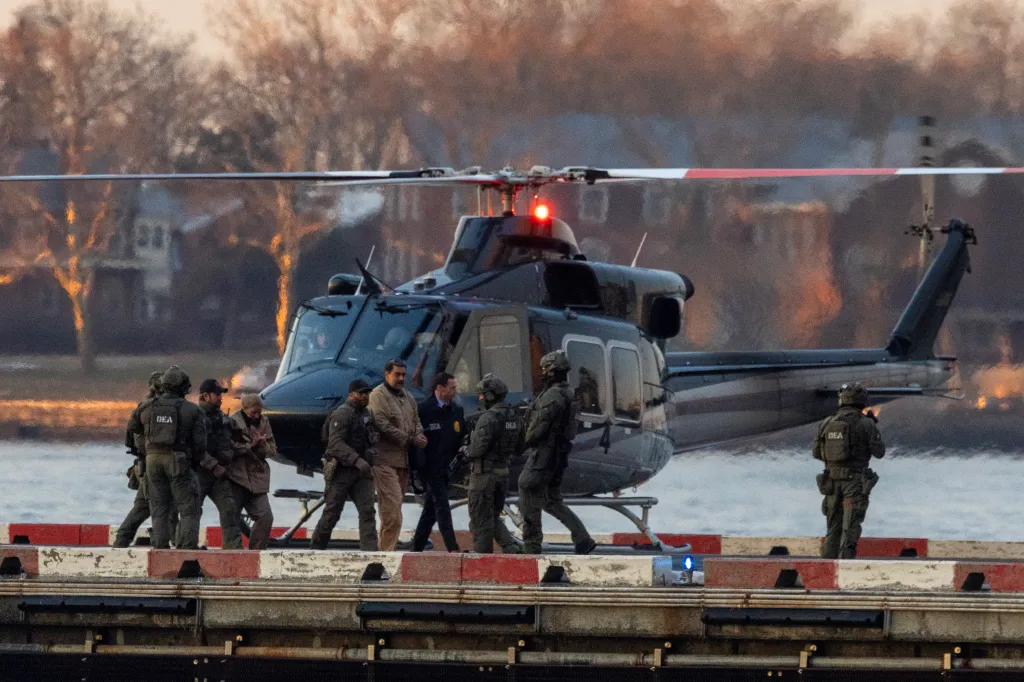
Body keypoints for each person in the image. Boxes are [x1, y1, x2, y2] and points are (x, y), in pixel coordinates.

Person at [517, 351, 596, 555]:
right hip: (559, 455)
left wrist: (519, 445)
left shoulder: (553, 395)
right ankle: (582, 538)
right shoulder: (569, 392)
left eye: (545, 369)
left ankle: (531, 546)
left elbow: (537, 429)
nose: (542, 373)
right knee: (551, 500)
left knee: (527, 489)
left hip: (544, 454)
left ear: (552, 370)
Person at [127, 366, 204, 549]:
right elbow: (200, 444)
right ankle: (186, 550)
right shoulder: (192, 410)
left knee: (158, 508)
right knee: (188, 509)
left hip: (152, 460)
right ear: (181, 387)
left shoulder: (147, 406)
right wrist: (193, 462)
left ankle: (160, 548)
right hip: (178, 460)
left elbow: (133, 426)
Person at [814, 382, 885, 559]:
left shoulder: (826, 423)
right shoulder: (866, 423)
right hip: (854, 482)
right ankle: (846, 567)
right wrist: (873, 427)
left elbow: (817, 453)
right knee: (850, 527)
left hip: (831, 483)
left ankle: (827, 568)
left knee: (833, 527)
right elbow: (879, 452)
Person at [309, 379, 379, 551]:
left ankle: (370, 555)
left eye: (367, 393)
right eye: (361, 393)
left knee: (368, 512)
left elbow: (372, 437)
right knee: (332, 513)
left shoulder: (366, 415)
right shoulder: (342, 414)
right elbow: (335, 444)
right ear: (351, 394)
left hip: (362, 473)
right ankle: (315, 551)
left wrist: (372, 453)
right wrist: (356, 459)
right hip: (342, 471)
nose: (365, 396)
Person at [113, 371, 178, 547]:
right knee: (160, 508)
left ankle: (122, 540)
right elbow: (139, 442)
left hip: (150, 465)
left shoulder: (148, 408)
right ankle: (167, 543)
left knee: (144, 508)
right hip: (151, 466)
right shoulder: (149, 409)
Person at [369, 358, 428, 551]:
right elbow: (381, 424)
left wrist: (419, 435)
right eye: (397, 374)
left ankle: (385, 553)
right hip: (384, 460)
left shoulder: (408, 397)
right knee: (392, 513)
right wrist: (409, 439)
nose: (401, 378)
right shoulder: (378, 395)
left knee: (395, 510)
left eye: (404, 374)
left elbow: (416, 420)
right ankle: (385, 557)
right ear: (387, 374)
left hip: (404, 462)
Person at [466, 376, 522, 554]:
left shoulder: (488, 418)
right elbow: (520, 447)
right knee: (492, 516)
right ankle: (510, 547)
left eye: (482, 395)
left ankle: (482, 560)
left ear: (490, 396)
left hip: (484, 475)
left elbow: (476, 450)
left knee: (480, 519)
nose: (480, 399)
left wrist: (465, 450)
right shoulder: (514, 416)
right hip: (503, 473)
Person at [411, 372, 463, 553]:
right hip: (429, 468)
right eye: (452, 387)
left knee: (430, 511)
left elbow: (460, 436)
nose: (455, 391)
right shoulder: (423, 410)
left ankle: (416, 547)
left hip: (447, 468)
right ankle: (452, 547)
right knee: (442, 505)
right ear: (439, 388)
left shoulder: (457, 410)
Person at [196, 379, 242, 550]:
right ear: (205, 395)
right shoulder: (195, 417)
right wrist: (215, 466)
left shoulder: (221, 417)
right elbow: (196, 449)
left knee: (230, 510)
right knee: (192, 512)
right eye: (217, 394)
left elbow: (229, 441)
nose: (221, 397)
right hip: (200, 473)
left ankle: (233, 550)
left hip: (220, 474)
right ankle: (186, 547)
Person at [228, 394, 276, 550]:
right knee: (231, 519)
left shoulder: (264, 422)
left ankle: (256, 552)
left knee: (265, 516)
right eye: (253, 413)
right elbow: (230, 450)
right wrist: (250, 445)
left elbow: (272, 450)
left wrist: (261, 444)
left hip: (257, 477)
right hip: (237, 477)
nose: (256, 416)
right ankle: (232, 553)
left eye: (259, 412)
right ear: (244, 409)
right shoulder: (232, 423)